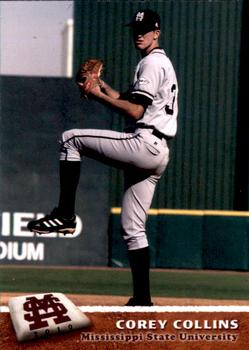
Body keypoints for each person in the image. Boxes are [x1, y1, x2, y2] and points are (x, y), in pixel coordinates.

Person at [27, 9, 178, 306]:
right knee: (134, 229)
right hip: (158, 151)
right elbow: (131, 102)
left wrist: (95, 94)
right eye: (135, 29)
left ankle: (65, 214)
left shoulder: (151, 63)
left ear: (157, 32)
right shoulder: (160, 63)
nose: (139, 33)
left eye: (145, 29)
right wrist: (104, 87)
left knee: (70, 138)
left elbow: (136, 112)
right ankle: (143, 300)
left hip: (144, 143)